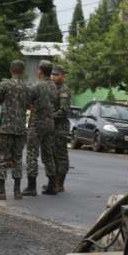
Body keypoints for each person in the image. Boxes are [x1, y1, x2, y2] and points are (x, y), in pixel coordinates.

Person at [0, 60, 29, 201]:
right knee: (17, 159)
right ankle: (17, 191)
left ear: (11, 70)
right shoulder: (27, 87)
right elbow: (28, 105)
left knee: (1, 159)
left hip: (5, 128)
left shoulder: (5, 85)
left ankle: (1, 191)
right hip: (20, 129)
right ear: (22, 71)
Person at [23, 60, 57, 197]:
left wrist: (31, 106)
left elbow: (26, 101)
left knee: (32, 154)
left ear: (41, 71)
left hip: (36, 123)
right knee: (48, 154)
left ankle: (31, 187)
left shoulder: (36, 86)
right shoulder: (54, 86)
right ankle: (52, 185)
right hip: (50, 123)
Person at [50, 65, 71, 193]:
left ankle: (60, 183)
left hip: (60, 128)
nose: (53, 77)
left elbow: (63, 111)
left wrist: (49, 116)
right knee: (52, 155)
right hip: (51, 127)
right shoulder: (52, 88)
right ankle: (53, 182)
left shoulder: (64, 90)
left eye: (56, 75)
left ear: (63, 76)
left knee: (61, 156)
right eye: (52, 74)